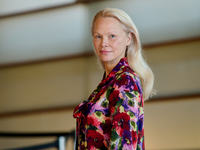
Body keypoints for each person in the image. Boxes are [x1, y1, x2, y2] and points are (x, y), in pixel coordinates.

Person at [73, 7, 155, 150]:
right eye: (98, 36)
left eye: (112, 36)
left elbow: (125, 146)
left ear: (128, 38)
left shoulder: (125, 81)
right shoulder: (109, 82)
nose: (103, 43)